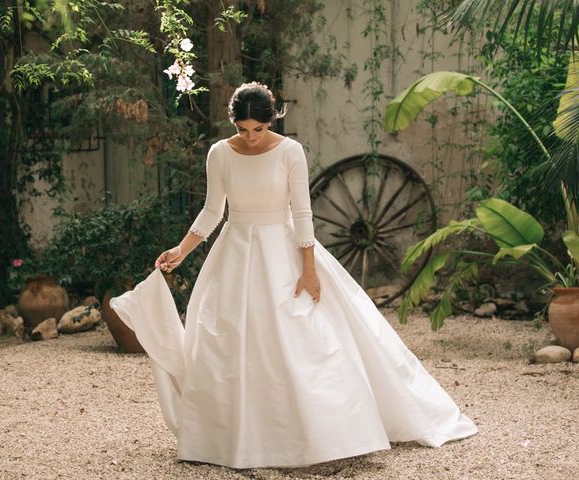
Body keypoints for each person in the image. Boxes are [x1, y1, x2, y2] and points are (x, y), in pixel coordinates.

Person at [110, 82, 478, 470]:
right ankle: (234, 437)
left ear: (272, 121)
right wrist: (181, 251)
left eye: (258, 129)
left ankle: (321, 434)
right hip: (234, 251)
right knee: (229, 338)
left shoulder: (290, 152)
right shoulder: (220, 153)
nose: (250, 138)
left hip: (283, 250)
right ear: (233, 123)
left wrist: (309, 269)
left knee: (302, 339)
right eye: (242, 129)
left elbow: (302, 213)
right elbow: (212, 211)